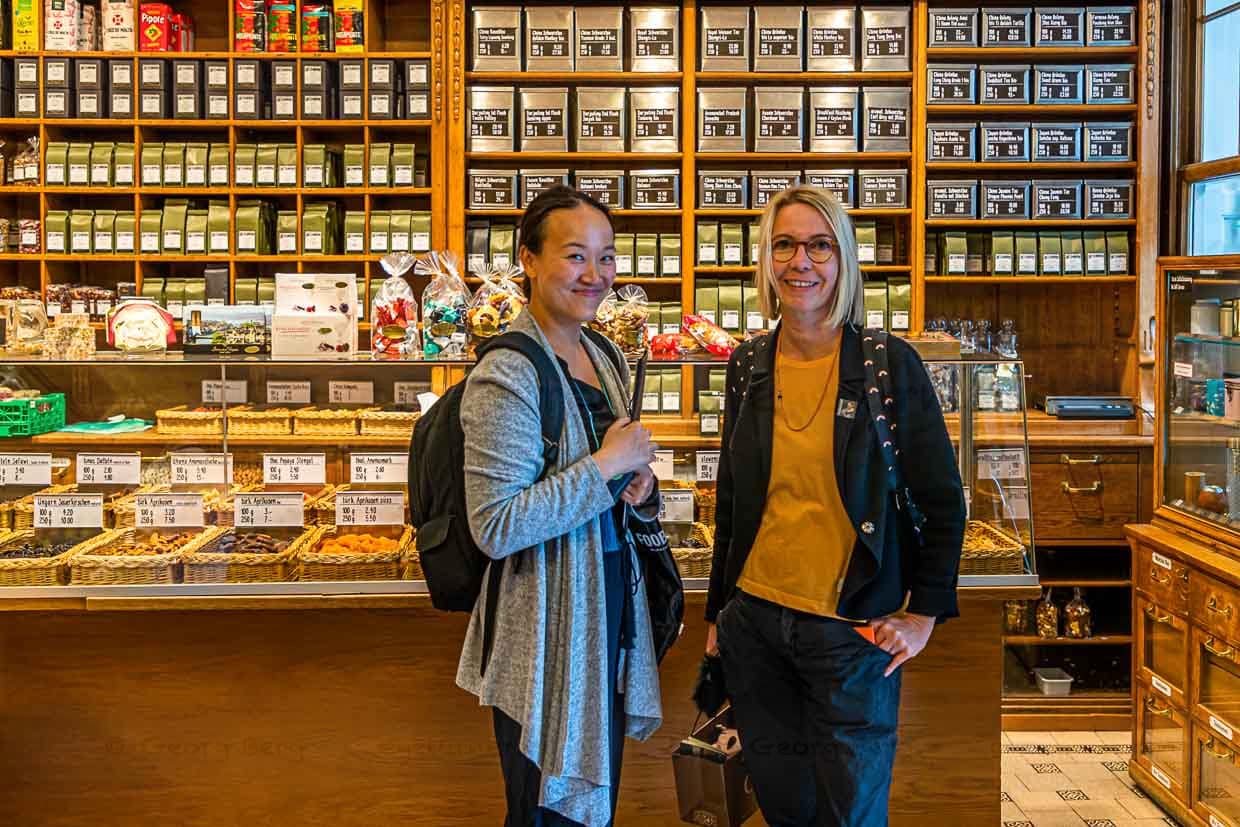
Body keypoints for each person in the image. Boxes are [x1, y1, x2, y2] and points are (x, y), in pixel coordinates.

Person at [703, 184, 966, 827]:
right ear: (766, 260)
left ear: (843, 258)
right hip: (758, 627)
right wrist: (719, 617)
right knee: (783, 808)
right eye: (786, 244)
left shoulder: (888, 365)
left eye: (820, 245)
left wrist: (925, 614)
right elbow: (734, 502)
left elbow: (941, 499)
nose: (802, 262)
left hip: (851, 634)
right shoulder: (747, 364)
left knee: (851, 814)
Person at [456, 185, 664, 827]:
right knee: (545, 811)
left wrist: (638, 489)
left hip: (603, 614)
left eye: (606, 257)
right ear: (529, 259)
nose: (595, 275)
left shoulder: (602, 354)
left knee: (590, 807)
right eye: (576, 256)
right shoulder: (507, 374)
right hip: (544, 629)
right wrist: (606, 465)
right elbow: (496, 524)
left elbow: (612, 481)